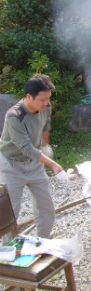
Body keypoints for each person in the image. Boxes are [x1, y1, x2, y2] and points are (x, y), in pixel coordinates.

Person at [0, 74, 66, 238]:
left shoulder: (46, 107)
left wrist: (45, 145)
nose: (46, 103)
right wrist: (53, 164)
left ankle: (42, 242)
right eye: (42, 99)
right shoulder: (15, 116)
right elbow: (25, 147)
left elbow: (46, 124)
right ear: (29, 96)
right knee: (11, 212)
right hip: (12, 166)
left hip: (34, 164)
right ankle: (10, 250)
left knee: (46, 207)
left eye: (48, 98)